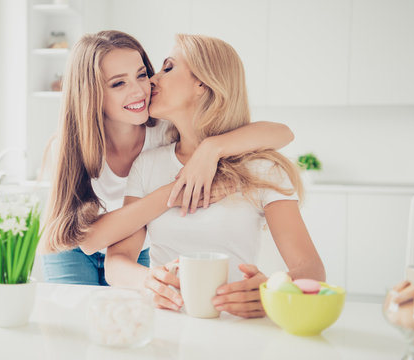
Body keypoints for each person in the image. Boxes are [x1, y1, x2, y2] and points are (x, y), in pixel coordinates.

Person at [39, 30, 295, 286]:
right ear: (91, 94)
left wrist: (212, 148)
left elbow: (283, 133)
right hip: (72, 246)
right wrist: (173, 193)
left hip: (133, 243)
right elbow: (87, 240)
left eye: (141, 75)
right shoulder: (68, 146)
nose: (141, 89)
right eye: (118, 83)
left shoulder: (163, 131)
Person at [104, 34, 325, 318]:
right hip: (165, 326)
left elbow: (311, 271)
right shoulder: (147, 165)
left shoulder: (262, 167)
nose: (153, 80)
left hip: (235, 326)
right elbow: (116, 262)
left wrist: (272, 292)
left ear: (202, 82)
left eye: (168, 67)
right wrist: (146, 280)